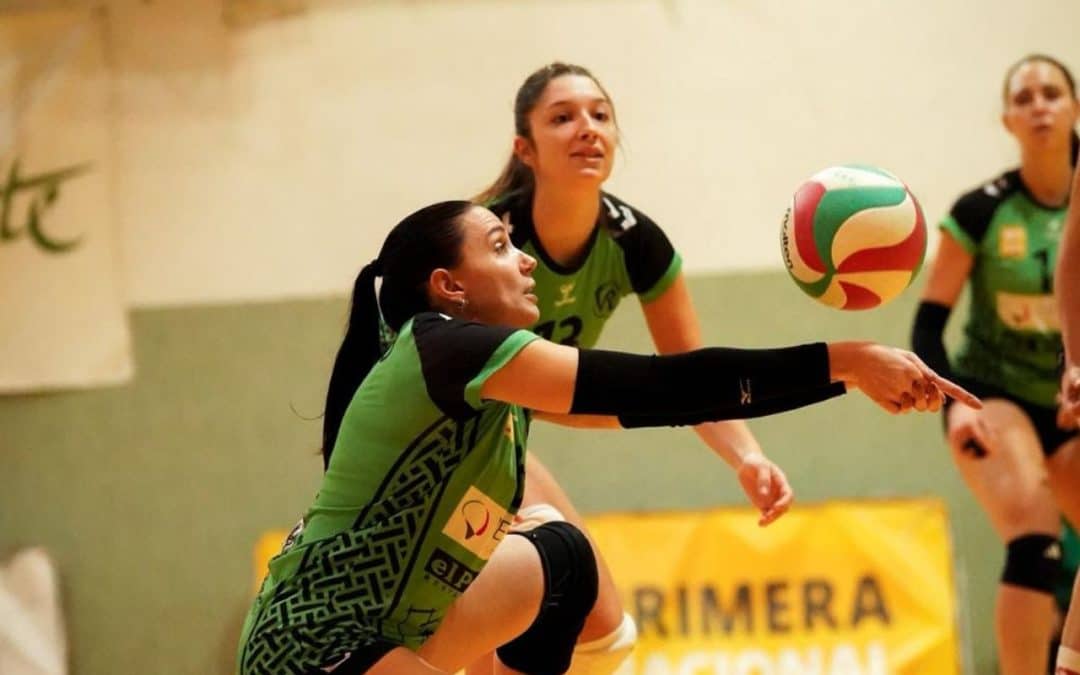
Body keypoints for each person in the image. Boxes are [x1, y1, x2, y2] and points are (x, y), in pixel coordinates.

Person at [236, 199, 978, 675]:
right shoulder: (444, 346)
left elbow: (664, 400)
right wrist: (845, 361)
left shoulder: (496, 398)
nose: (524, 257)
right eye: (500, 245)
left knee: (561, 551)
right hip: (313, 646)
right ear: (449, 286)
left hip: (403, 626)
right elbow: (660, 385)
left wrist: (842, 377)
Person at [471, 62, 792, 670]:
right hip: (444, 434)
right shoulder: (488, 240)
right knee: (503, 622)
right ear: (526, 149)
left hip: (502, 432)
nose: (586, 128)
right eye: (562, 118)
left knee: (599, 634)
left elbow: (689, 376)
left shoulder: (636, 242)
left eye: (599, 114)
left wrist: (747, 456)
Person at [911, 53, 1080, 675]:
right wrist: (952, 406)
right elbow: (927, 324)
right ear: (1007, 119)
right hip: (993, 396)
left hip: (1070, 397)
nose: (1039, 106)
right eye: (1025, 97)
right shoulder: (983, 210)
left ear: (1075, 109)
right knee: (1036, 540)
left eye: (1052, 93)